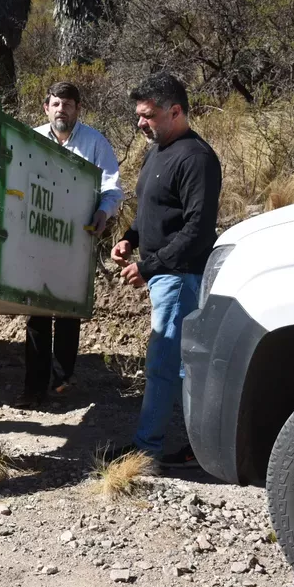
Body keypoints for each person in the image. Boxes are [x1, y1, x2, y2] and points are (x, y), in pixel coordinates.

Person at [110, 72, 222, 469]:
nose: (140, 123)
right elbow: (152, 209)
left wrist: (149, 266)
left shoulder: (197, 158)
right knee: (176, 366)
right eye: (139, 115)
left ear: (175, 112)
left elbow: (197, 230)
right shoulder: (157, 150)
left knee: (163, 365)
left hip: (180, 276)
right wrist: (130, 238)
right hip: (164, 274)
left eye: (148, 115)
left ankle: (148, 451)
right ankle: (196, 447)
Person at [19, 82, 123, 409]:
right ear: (46, 108)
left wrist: (103, 213)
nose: (61, 109)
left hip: (77, 238)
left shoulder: (95, 143)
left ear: (78, 109)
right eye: (56, 104)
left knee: (67, 309)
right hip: (38, 238)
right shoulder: (32, 139)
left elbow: (112, 188)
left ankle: (62, 380)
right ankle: (34, 390)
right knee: (37, 311)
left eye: (67, 104)